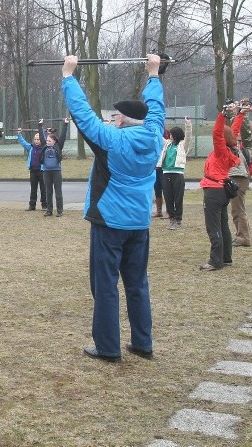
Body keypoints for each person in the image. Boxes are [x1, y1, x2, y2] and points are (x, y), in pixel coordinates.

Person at [62, 54, 164, 362]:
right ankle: (142, 343)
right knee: (137, 284)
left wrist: (68, 77)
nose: (111, 119)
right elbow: (156, 109)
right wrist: (154, 75)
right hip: (138, 223)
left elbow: (83, 116)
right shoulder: (155, 133)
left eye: (115, 116)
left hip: (109, 222)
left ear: (120, 119)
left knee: (105, 286)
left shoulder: (111, 140)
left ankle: (107, 347)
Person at [199, 103, 246, 270]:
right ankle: (226, 258)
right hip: (222, 190)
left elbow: (217, 133)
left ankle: (215, 261)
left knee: (213, 227)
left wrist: (222, 114)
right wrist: (240, 115)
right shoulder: (231, 149)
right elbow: (233, 131)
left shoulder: (221, 151)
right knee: (223, 225)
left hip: (213, 191)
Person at [229, 98, 252, 247]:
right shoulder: (237, 143)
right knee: (235, 209)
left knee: (238, 209)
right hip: (234, 176)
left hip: (240, 177)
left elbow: (245, 131)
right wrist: (236, 112)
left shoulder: (249, 144)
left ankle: (244, 237)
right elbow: (232, 130)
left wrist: (244, 114)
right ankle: (239, 234)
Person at [159, 117, 193, 230]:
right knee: (168, 198)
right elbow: (158, 136)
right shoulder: (167, 144)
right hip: (166, 173)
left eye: (172, 134)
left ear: (177, 135)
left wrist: (188, 124)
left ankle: (178, 220)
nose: (170, 136)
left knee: (178, 198)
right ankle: (172, 219)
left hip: (177, 174)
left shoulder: (183, 145)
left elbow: (188, 136)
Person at [39, 118, 69, 217]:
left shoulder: (58, 146)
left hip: (56, 172)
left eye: (49, 140)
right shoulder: (44, 146)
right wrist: (40, 125)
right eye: (46, 140)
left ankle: (60, 211)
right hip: (46, 172)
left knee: (58, 191)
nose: (47, 142)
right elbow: (41, 136)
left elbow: (63, 136)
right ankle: (49, 210)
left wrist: (65, 124)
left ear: (54, 141)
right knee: (48, 192)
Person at [17, 128, 46, 211]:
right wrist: (19, 134)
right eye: (35, 139)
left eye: (38, 139)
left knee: (43, 189)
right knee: (33, 189)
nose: (36, 141)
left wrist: (43, 132)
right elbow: (23, 142)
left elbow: (46, 139)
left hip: (42, 171)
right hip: (33, 171)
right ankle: (32, 205)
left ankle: (44, 205)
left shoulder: (44, 147)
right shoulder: (31, 147)